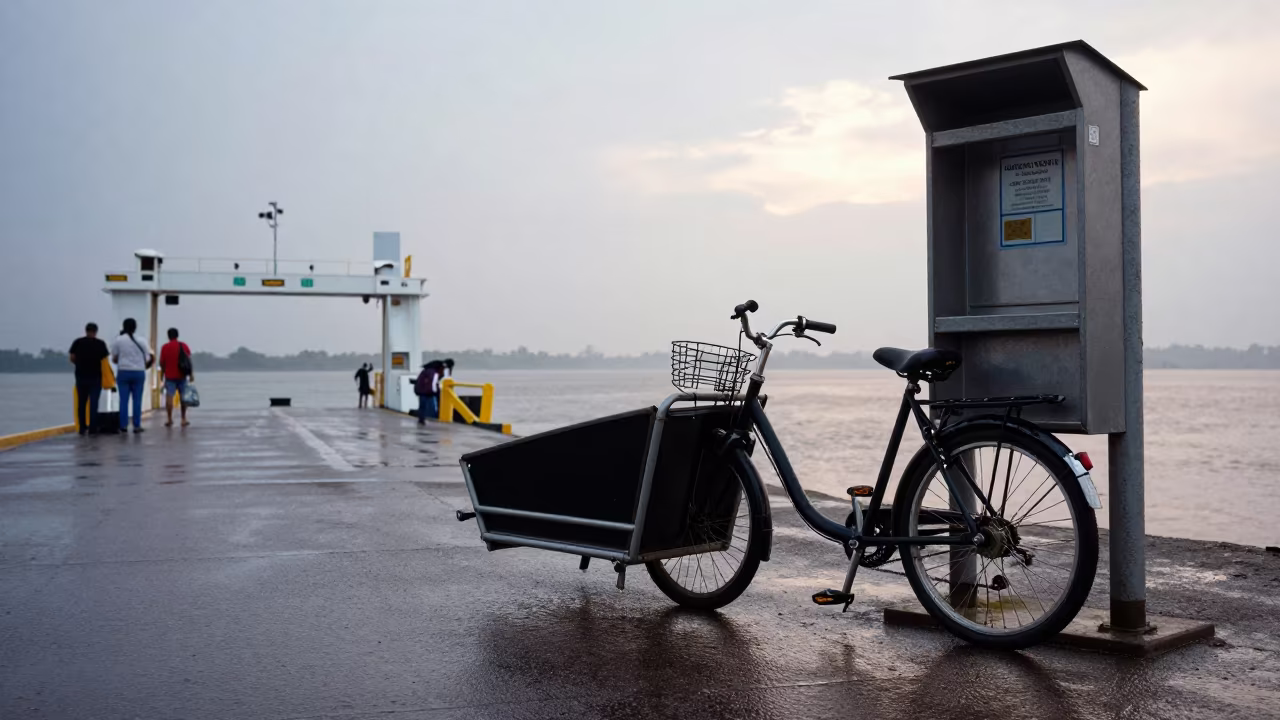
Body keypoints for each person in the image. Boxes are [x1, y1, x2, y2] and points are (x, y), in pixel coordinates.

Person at [110, 318, 153, 434]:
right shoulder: (142, 341)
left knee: (123, 400)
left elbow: (114, 358)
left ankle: (123, 425)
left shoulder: (118, 340)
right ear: (135, 328)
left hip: (123, 372)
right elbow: (148, 358)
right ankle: (137, 425)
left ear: (123, 327)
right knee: (137, 400)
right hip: (138, 372)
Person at [69, 322, 110, 435]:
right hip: (95, 377)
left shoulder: (77, 342)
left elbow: (72, 358)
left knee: (81, 403)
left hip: (81, 376)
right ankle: (93, 428)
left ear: (86, 330)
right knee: (94, 403)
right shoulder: (100, 344)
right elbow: (105, 361)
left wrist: (79, 364)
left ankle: (82, 428)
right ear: (96, 332)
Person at [158, 328, 194, 427]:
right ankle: (183, 419)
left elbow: (162, 363)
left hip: (169, 376)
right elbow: (189, 361)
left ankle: (169, 419)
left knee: (169, 397)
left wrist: (162, 376)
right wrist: (191, 375)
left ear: (168, 336)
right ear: (177, 335)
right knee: (183, 397)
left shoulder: (165, 347)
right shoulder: (183, 346)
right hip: (182, 375)